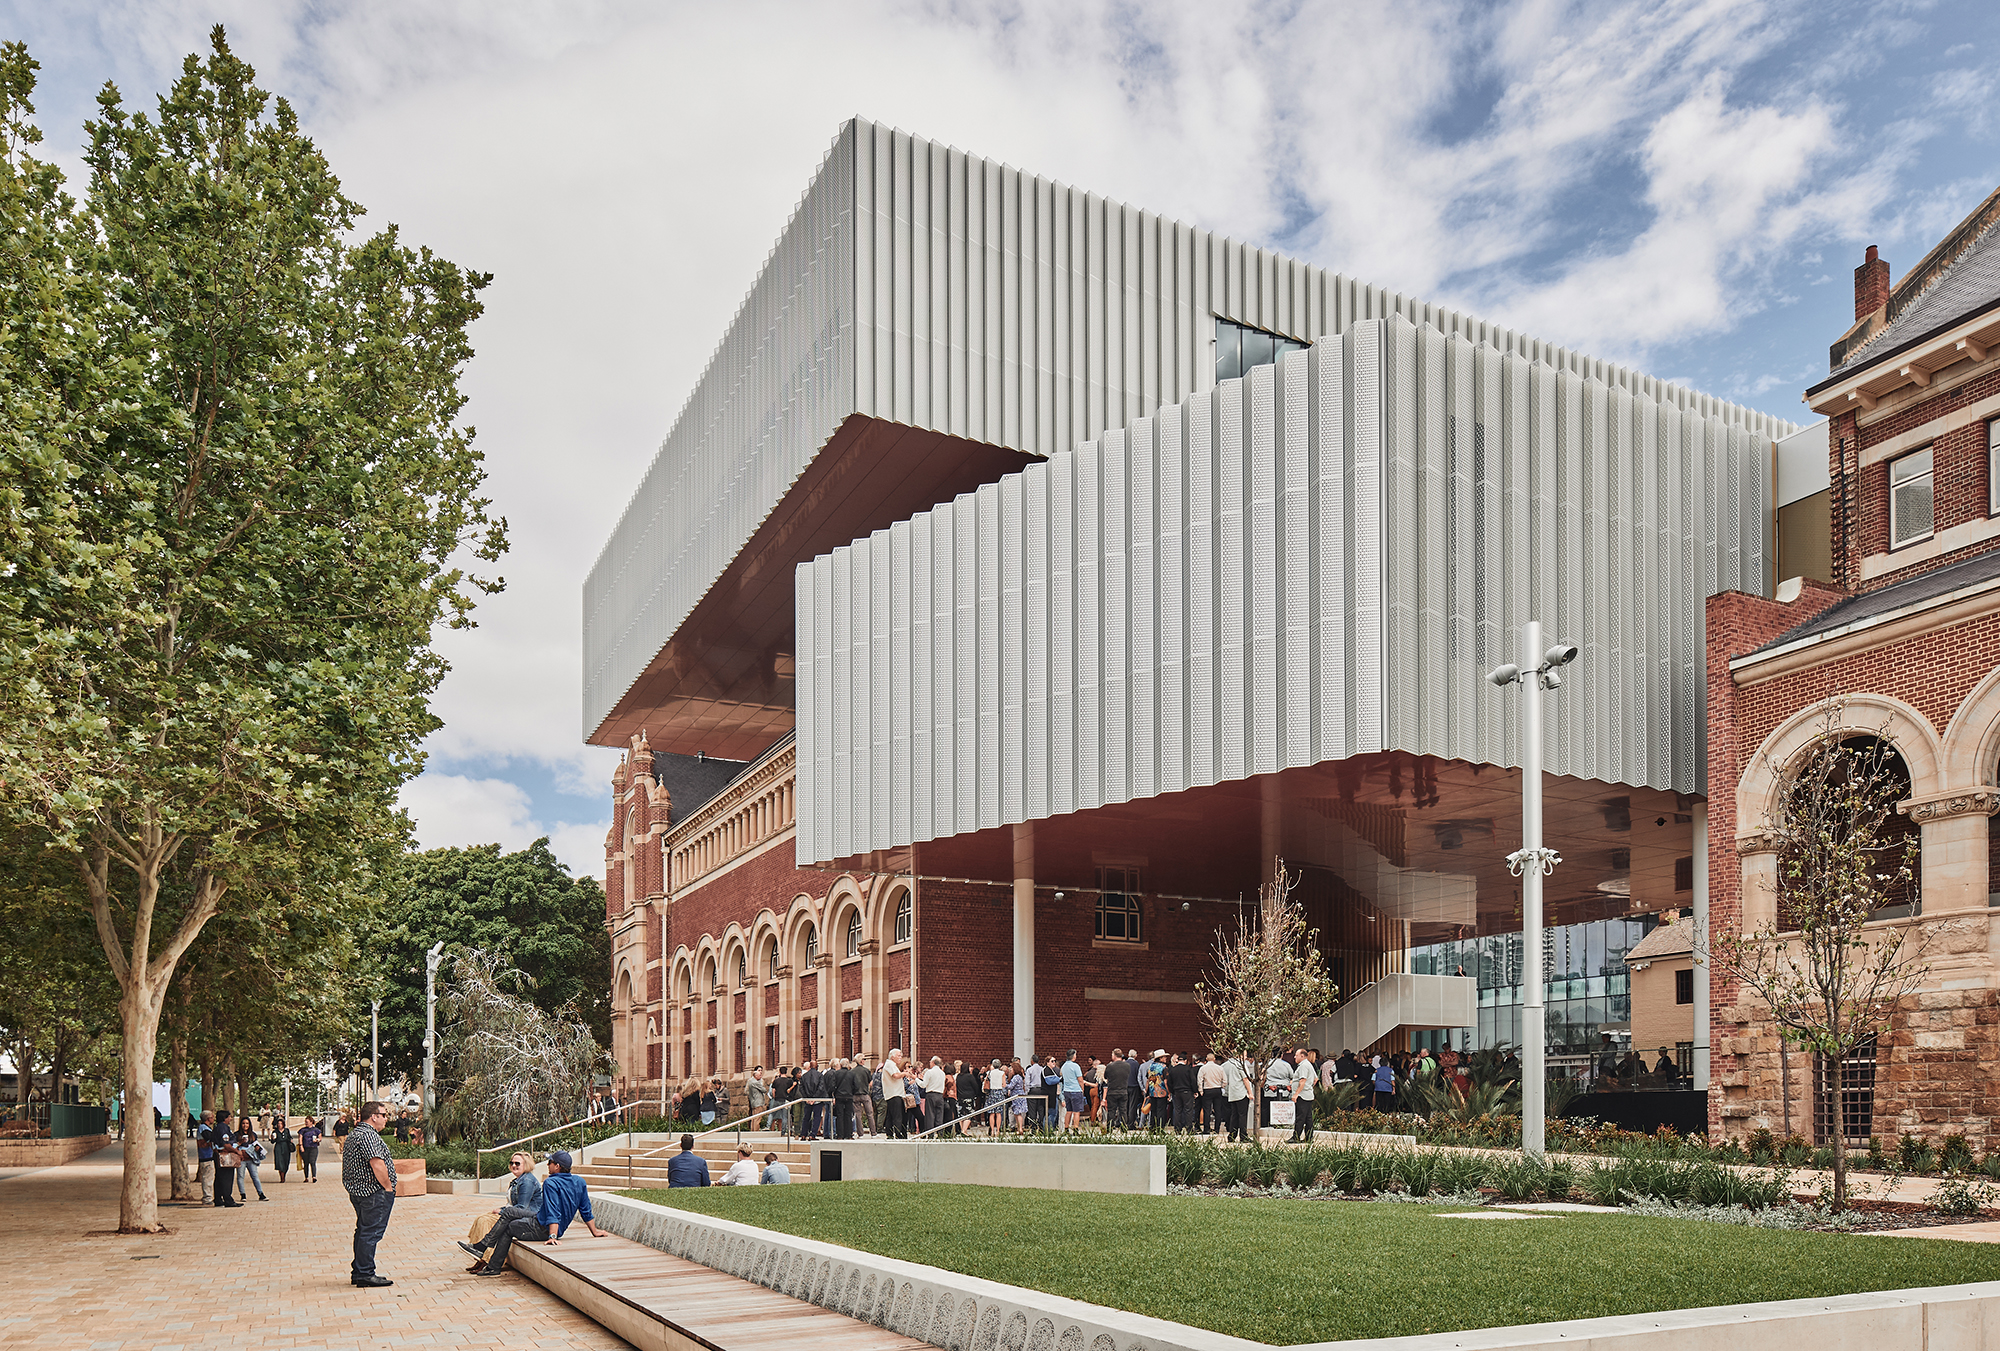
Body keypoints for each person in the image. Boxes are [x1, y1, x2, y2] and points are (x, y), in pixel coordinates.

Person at [458, 1151, 543, 1276]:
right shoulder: (518, 1180)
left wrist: (502, 1211)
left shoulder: (527, 1181)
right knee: (481, 1219)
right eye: (511, 1163)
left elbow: (522, 1208)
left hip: (526, 1217)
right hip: (513, 1213)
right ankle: (479, 1255)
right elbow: (513, 1205)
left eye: (517, 1163)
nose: (513, 1165)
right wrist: (502, 1209)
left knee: (485, 1222)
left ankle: (484, 1256)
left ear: (526, 1165)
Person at [343, 1101, 398, 1288]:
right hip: (373, 1192)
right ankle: (365, 1273)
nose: (386, 1119)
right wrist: (388, 1187)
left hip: (360, 1192)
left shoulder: (355, 1134)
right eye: (384, 1115)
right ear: (374, 1116)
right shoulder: (368, 1135)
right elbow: (377, 1163)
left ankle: (359, 1271)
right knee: (370, 1232)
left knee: (363, 1231)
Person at [538, 1150, 606, 1249]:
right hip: (543, 1222)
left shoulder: (550, 1183)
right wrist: (594, 1231)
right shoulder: (579, 1182)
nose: (547, 1165)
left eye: (550, 1162)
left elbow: (553, 1210)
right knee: (515, 1212)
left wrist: (553, 1236)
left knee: (512, 1218)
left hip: (543, 1228)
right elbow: (585, 1210)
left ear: (557, 1166)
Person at [213, 1111, 244, 1208]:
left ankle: (218, 1199)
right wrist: (236, 1151)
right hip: (225, 1155)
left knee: (219, 1178)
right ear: (224, 1118)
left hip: (218, 1154)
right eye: (229, 1117)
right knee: (227, 1178)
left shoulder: (217, 1127)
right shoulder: (223, 1128)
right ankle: (228, 1199)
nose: (230, 1119)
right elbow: (226, 1144)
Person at [1223, 1050, 1251, 1142]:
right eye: (1245, 1055)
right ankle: (1243, 1136)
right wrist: (1250, 1092)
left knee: (1234, 1115)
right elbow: (1245, 1079)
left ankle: (1232, 1135)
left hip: (1233, 1092)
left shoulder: (1231, 1064)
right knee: (1242, 1115)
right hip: (1241, 1092)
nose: (1246, 1057)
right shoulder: (1241, 1064)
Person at [1289, 1047, 1317, 1143]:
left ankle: (1296, 1137)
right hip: (1308, 1094)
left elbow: (1302, 1080)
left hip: (1302, 1095)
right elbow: (1315, 1079)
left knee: (1300, 1117)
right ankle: (1309, 1137)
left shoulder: (1303, 1066)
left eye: (1296, 1055)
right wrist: (1309, 1087)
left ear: (1302, 1056)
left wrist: (1296, 1094)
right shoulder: (1309, 1064)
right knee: (1308, 1118)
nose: (1294, 1057)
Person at [237, 1124, 270, 1201]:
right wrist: (241, 1142)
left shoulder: (253, 1135)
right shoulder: (237, 1134)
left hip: (251, 1159)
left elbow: (256, 1144)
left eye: (247, 1123)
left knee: (255, 1176)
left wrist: (257, 1148)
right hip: (241, 1159)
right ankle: (243, 1195)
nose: (245, 1125)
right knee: (240, 1176)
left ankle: (261, 1193)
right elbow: (234, 1145)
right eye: (243, 1123)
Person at [1167, 1053, 1198, 1132]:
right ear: (1185, 1060)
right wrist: (1195, 1091)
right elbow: (1193, 1081)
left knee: (1177, 1110)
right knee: (1188, 1110)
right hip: (1187, 1091)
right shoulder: (1188, 1069)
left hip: (1177, 1092)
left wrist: (1172, 1091)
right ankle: (1189, 1128)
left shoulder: (1173, 1069)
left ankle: (1177, 1128)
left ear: (1178, 1060)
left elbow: (1169, 1082)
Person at [195, 1109, 218, 1204]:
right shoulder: (204, 1128)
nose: (213, 1119)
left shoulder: (204, 1128)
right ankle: (207, 1198)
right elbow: (210, 1138)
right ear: (208, 1118)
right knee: (207, 1178)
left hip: (207, 1156)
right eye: (212, 1117)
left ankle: (208, 1196)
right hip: (206, 1156)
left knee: (208, 1177)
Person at [880, 1055, 906, 1139]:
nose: (900, 1057)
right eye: (898, 1055)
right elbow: (895, 1075)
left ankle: (889, 1133)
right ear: (892, 1057)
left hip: (893, 1094)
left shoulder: (891, 1065)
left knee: (890, 1115)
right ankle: (898, 1133)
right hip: (894, 1094)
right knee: (897, 1115)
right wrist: (904, 1073)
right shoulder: (890, 1064)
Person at [297, 1117, 322, 1183]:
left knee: (312, 1161)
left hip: (313, 1147)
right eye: (305, 1122)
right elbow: (300, 1137)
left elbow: (320, 1137)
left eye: (307, 1122)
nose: (306, 1123)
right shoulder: (302, 1130)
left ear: (311, 1122)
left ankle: (314, 1177)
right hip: (305, 1148)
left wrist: (317, 1140)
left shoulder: (316, 1130)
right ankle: (306, 1177)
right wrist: (301, 1146)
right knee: (306, 1163)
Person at [272, 1119, 295, 1183]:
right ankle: (282, 1178)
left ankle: (284, 1174)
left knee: (286, 1162)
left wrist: (291, 1140)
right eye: (278, 1124)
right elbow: (272, 1141)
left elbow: (289, 1137)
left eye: (281, 1123)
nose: (279, 1125)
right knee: (280, 1162)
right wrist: (273, 1138)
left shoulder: (286, 1130)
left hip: (286, 1147)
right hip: (278, 1147)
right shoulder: (275, 1131)